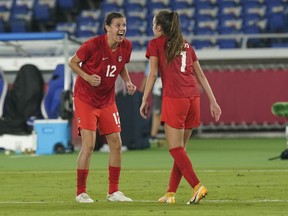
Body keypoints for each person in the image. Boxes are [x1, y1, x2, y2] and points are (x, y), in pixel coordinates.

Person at [140, 10, 221, 204]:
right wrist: (213, 101)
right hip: (193, 97)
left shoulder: (155, 44)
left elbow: (152, 75)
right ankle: (170, 194)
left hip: (175, 98)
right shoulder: (186, 45)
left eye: (153, 24)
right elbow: (200, 75)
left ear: (159, 27)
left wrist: (144, 99)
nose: (152, 28)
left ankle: (197, 186)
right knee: (181, 150)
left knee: (175, 149)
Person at [69, 12, 136, 203]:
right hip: (85, 99)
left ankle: (113, 192)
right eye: (118, 25)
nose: (122, 29)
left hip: (107, 100)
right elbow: (72, 62)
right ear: (107, 27)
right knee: (88, 145)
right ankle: (81, 192)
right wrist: (87, 77)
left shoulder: (127, 46)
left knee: (116, 143)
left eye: (124, 25)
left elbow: (121, 64)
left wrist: (128, 82)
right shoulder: (93, 44)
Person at [140, 62, 164, 147]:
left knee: (162, 112)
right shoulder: (153, 58)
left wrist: (142, 93)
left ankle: (173, 136)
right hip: (159, 85)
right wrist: (142, 92)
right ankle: (153, 136)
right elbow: (149, 75)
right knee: (157, 112)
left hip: (168, 85)